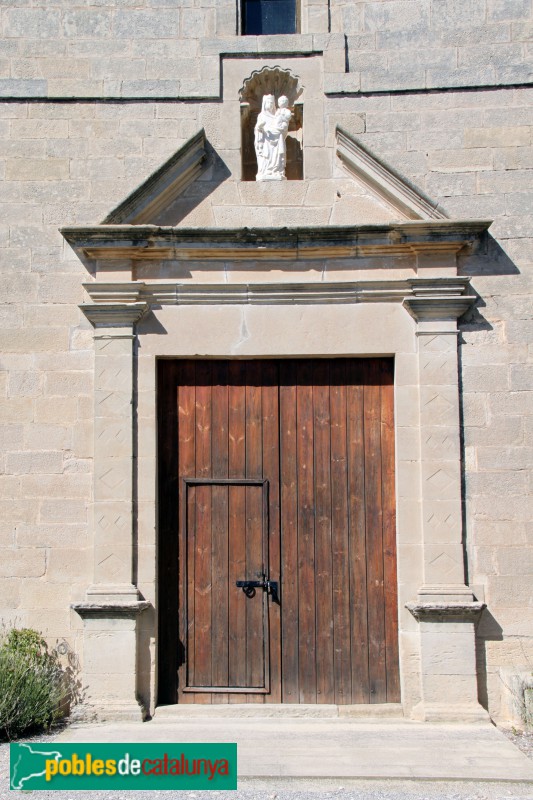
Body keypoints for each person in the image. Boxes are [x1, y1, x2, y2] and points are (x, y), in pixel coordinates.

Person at [254, 94, 292, 181]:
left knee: (277, 156)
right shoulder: (261, 115)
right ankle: (266, 171)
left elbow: (283, 129)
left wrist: (282, 129)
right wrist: (259, 128)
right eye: (269, 102)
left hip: (277, 140)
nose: (271, 104)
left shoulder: (276, 115)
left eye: (272, 103)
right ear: (265, 104)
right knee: (266, 158)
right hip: (266, 141)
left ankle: (277, 170)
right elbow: (257, 130)